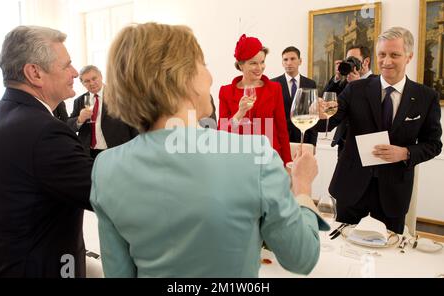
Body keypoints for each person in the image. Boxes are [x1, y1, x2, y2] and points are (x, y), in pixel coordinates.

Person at [90, 22, 328, 278]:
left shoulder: (106, 167)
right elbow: (302, 258)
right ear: (184, 78)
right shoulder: (255, 154)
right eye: (203, 64)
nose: (211, 76)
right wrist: (302, 187)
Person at [318, 27, 442, 234]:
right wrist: (319, 113)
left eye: (394, 55)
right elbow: (328, 124)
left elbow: (434, 145)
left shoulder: (426, 97)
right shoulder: (355, 89)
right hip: (351, 186)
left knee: (389, 256)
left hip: (393, 193)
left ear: (409, 57)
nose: (386, 61)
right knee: (343, 251)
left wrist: (405, 152)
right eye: (382, 55)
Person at [0, 26, 93, 277]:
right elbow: (105, 192)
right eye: (67, 65)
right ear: (35, 73)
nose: (74, 73)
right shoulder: (44, 132)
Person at [218, 34, 291, 165]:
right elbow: (222, 133)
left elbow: (282, 130)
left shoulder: (275, 89)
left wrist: (287, 163)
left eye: (262, 62)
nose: (259, 68)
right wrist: (240, 113)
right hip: (239, 161)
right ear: (241, 65)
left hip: (270, 159)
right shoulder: (226, 92)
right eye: (253, 63)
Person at [67, 65, 138, 158]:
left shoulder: (120, 96)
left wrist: (135, 150)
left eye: (94, 78)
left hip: (117, 150)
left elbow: (134, 124)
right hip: (89, 153)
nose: (91, 83)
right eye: (87, 81)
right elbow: (69, 126)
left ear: (101, 76)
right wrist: (79, 119)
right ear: (82, 83)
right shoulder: (79, 101)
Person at [323, 45, 376, 156]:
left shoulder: (376, 82)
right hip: (343, 144)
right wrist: (337, 77)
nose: (350, 64)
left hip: (365, 145)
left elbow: (370, 109)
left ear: (366, 62)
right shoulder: (346, 83)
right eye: (348, 60)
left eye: (353, 60)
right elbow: (326, 98)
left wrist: (356, 85)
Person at [272, 46, 318, 146]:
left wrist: (313, 144)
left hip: (303, 139)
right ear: (282, 63)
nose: (289, 63)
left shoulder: (310, 84)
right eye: (285, 59)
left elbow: (314, 115)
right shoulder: (273, 84)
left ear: (300, 61)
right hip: (279, 140)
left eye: (292, 59)